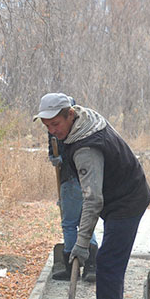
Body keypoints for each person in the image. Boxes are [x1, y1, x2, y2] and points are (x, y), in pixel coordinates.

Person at [34, 92, 150, 299]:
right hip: (119, 194)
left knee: (108, 262)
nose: (53, 131)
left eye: (56, 124)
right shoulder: (84, 121)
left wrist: (81, 243)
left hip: (126, 200)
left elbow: (93, 200)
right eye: (48, 127)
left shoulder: (86, 147)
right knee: (112, 259)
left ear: (71, 114)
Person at [48, 116, 98, 282]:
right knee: (86, 220)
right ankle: (91, 267)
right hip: (88, 179)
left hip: (71, 179)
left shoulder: (58, 130)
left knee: (69, 224)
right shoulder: (84, 125)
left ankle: (72, 270)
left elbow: (55, 148)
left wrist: (55, 157)